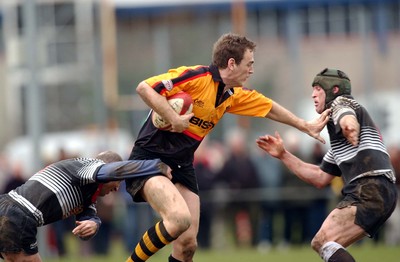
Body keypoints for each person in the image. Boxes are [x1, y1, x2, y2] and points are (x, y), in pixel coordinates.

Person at [125, 32, 330, 262]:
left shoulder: (231, 95)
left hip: (181, 164)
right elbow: (144, 88)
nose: (252, 70)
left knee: (188, 244)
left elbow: (269, 107)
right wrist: (172, 116)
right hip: (149, 158)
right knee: (178, 220)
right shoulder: (195, 77)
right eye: (249, 64)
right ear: (232, 63)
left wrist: (305, 126)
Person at [256, 68, 397, 262]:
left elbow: (346, 115)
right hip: (379, 191)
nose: (313, 94)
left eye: (318, 89)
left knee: (322, 242)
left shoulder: (341, 102)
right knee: (326, 244)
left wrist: (349, 126)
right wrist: (283, 155)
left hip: (370, 188)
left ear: (334, 90)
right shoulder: (339, 143)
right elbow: (320, 177)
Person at [0, 150, 169, 262]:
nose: (118, 188)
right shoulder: (88, 166)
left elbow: (87, 217)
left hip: (9, 209)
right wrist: (156, 166)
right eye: (118, 182)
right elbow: (109, 172)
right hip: (17, 214)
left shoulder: (88, 192)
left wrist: (93, 224)